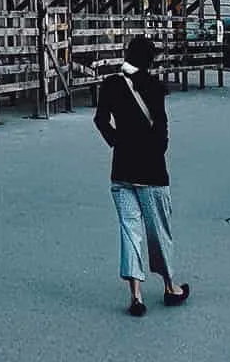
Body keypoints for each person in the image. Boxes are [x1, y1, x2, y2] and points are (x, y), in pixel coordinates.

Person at [94, 35, 191, 317]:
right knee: (159, 230)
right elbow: (162, 129)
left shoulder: (111, 84)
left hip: (121, 169)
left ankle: (136, 296)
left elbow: (100, 120)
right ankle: (170, 286)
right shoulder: (155, 87)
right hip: (151, 171)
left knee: (130, 230)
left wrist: (117, 142)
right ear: (150, 60)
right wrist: (156, 151)